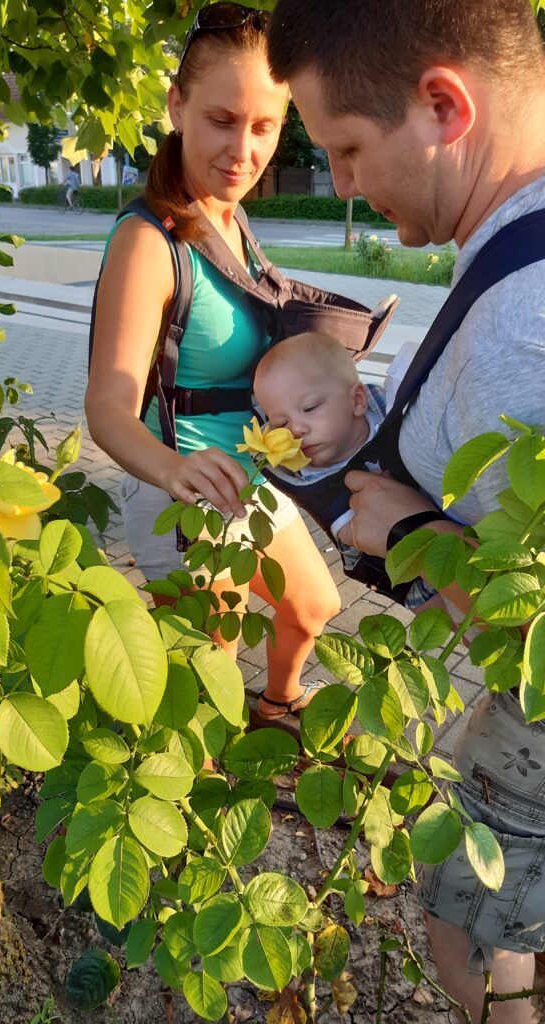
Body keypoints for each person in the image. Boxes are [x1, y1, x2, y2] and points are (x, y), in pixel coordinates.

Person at [267, 1, 545, 1021]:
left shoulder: (526, 321)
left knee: (471, 935)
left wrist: (414, 535)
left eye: (345, 147)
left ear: (442, 105)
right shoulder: (514, 243)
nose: (342, 184)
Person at [85, 2, 341, 726]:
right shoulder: (148, 241)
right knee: (209, 673)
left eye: (264, 126)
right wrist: (174, 472)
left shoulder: (230, 217)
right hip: (182, 493)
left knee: (315, 607)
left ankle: (277, 705)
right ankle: (204, 771)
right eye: (221, 120)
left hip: (250, 479)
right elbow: (106, 406)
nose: (243, 151)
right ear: (176, 105)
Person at [251, 331, 442, 611]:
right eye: (281, 424)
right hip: (405, 575)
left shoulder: (388, 410)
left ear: (357, 400)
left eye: (309, 408)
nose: (296, 430)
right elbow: (356, 535)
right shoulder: (317, 482)